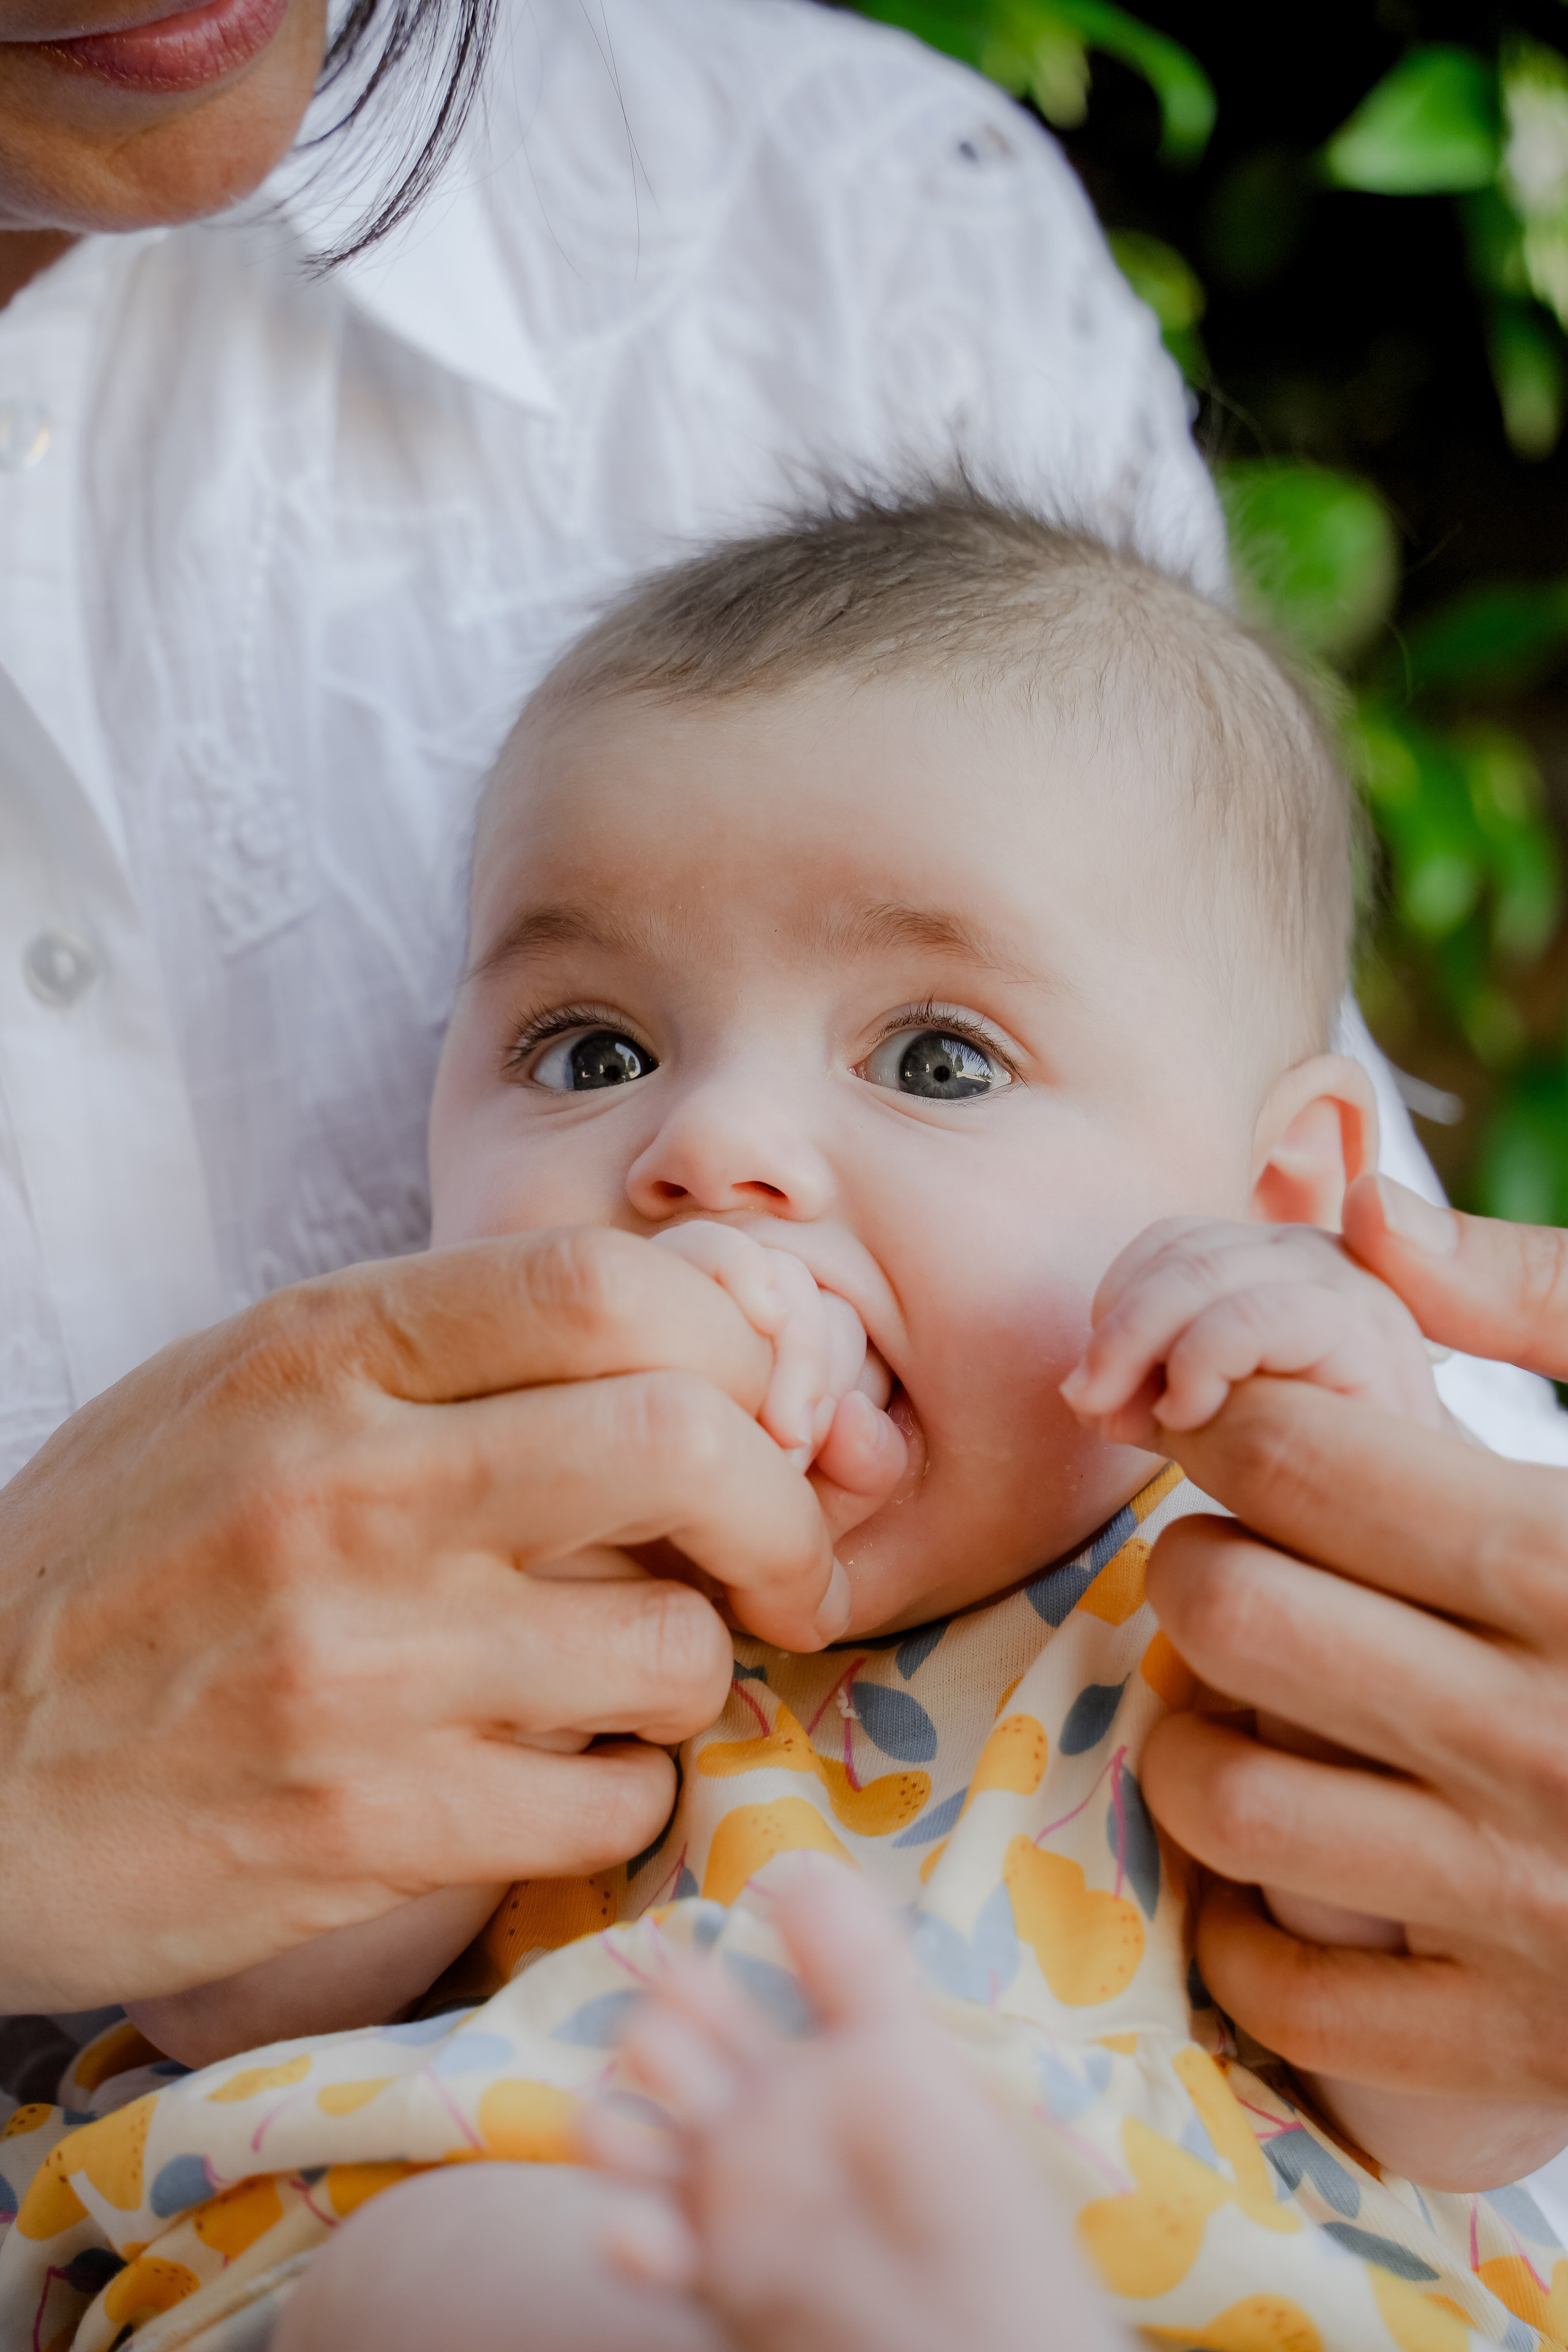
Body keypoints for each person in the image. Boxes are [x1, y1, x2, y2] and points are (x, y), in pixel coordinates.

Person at [4, 0, 1568, 2269]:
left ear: (1287, 1195)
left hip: (1144, 2280)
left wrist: (1343, 1433)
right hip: (561, 2225)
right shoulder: (440, 1558)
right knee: (475, 2266)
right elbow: (255, 1969)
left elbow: (1440, 2082)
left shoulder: (1204, 1605)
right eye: (585, 1050)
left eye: (933, 1062)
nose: (706, 1150)